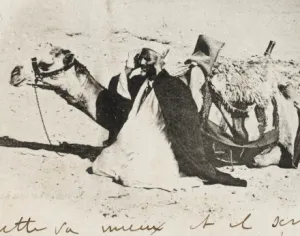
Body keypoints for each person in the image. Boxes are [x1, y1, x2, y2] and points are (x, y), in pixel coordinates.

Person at [93, 41, 247, 189]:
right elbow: (119, 92)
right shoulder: (141, 81)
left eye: (147, 58)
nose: (143, 62)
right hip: (136, 134)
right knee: (102, 164)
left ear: (160, 60)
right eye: (141, 58)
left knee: (133, 175)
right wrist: (128, 68)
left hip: (157, 138)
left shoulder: (172, 85)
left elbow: (186, 118)